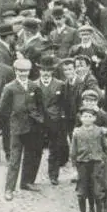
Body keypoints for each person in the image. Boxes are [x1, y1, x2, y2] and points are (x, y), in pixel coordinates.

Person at [0, 58, 45, 201]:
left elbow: (40, 106)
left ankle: (26, 182)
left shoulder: (34, 87)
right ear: (15, 71)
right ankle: (9, 188)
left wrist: (39, 119)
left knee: (30, 157)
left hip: (32, 128)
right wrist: (9, 125)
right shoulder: (9, 88)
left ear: (29, 72)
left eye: (25, 71)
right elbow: (2, 110)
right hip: (17, 129)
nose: (23, 74)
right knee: (15, 159)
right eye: (20, 71)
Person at [70, 106, 107, 212]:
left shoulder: (99, 132)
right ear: (81, 118)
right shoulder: (77, 133)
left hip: (96, 164)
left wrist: (101, 160)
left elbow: (105, 149)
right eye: (84, 116)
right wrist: (75, 166)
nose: (87, 119)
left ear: (94, 118)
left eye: (90, 116)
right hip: (82, 165)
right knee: (81, 192)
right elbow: (73, 151)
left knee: (97, 192)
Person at [35, 55, 68, 186]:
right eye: (43, 70)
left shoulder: (60, 84)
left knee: (55, 149)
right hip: (39, 121)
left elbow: (64, 103)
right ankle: (31, 177)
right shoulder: (34, 85)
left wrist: (60, 117)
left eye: (48, 70)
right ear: (39, 71)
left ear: (52, 71)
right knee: (36, 149)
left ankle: (53, 175)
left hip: (55, 121)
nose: (46, 73)